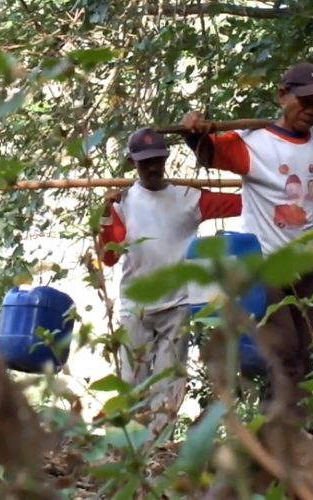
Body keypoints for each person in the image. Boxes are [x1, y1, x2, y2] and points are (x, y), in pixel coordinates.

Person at [180, 62, 313, 422]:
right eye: (304, 101)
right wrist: (193, 132)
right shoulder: (254, 143)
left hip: (307, 265)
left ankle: (289, 433)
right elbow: (208, 152)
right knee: (284, 348)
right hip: (264, 265)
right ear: (282, 96)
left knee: (303, 355)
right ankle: (279, 433)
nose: (311, 110)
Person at [97, 127, 242, 436]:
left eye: (157, 160)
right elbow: (108, 257)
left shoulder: (188, 197)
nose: (151, 167)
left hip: (177, 306)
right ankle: (131, 447)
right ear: (133, 162)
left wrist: (268, 190)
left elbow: (242, 204)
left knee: (168, 384)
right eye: (144, 161)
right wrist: (106, 213)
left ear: (165, 159)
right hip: (135, 308)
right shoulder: (123, 202)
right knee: (131, 384)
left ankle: (159, 447)